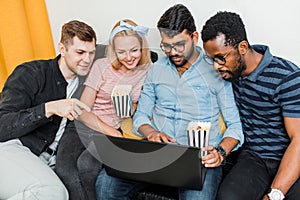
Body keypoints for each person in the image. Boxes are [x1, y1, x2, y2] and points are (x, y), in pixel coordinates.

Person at [95, 4, 244, 200]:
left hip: (199, 158)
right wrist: (152, 133)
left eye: (179, 45)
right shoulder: (157, 69)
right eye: (166, 46)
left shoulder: (216, 70)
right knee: (106, 185)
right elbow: (141, 115)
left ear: (194, 37)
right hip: (156, 154)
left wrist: (220, 152)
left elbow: (235, 127)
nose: (173, 52)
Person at [201, 11, 300, 200]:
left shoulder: (288, 77)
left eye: (221, 58)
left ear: (243, 47)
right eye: (212, 59)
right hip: (255, 158)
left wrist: (275, 194)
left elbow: (299, 140)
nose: (216, 66)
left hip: (291, 157)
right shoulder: (231, 75)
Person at [0, 20, 96, 200]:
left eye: (91, 53)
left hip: (49, 159)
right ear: (62, 48)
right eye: (80, 52)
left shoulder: (88, 83)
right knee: (53, 192)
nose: (87, 60)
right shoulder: (31, 73)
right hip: (13, 148)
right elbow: (2, 126)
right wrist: (49, 108)